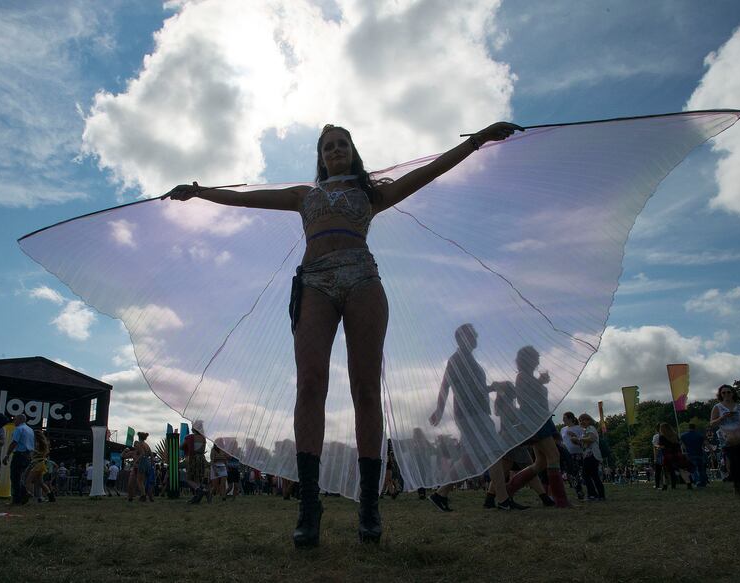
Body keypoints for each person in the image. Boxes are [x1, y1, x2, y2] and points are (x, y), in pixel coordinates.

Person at [168, 121, 521, 547]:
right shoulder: (305, 196)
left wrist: (477, 141)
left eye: (342, 144)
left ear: (353, 151)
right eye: (328, 146)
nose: (335, 150)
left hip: (362, 280)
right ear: (320, 156)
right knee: (310, 385)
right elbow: (246, 200)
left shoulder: (371, 193)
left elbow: (428, 172)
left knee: (366, 389)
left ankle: (370, 505)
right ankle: (309, 504)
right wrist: (201, 191)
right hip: (314, 282)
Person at [429, 324, 525, 512]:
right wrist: (439, 410)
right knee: (495, 452)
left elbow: (474, 388)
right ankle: (503, 500)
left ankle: (440, 494)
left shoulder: (466, 359)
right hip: (471, 414)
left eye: (475, 335)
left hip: (474, 413)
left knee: (469, 459)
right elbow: (445, 385)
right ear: (462, 338)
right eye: (473, 336)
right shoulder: (457, 359)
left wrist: (493, 387)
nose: (476, 339)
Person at [502, 347, 570, 508]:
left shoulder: (527, 377)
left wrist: (540, 382)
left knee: (541, 462)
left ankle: (509, 490)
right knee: (553, 456)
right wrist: (540, 383)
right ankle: (561, 500)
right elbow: (525, 399)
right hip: (536, 421)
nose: (538, 361)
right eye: (535, 357)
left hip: (540, 420)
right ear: (528, 360)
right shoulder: (523, 377)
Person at [710, 384, 740, 497]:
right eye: (724, 393)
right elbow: (712, 423)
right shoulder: (718, 407)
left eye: (729, 392)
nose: (726, 394)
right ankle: (737, 487)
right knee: (733, 465)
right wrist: (722, 417)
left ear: (733, 393)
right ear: (720, 395)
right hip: (727, 441)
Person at [3, 414, 35, 504]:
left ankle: (17, 499)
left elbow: (14, 442)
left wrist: (7, 455)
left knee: (15, 477)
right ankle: (23, 494)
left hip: (19, 455)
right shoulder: (30, 430)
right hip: (28, 455)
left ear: (20, 420)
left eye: (15, 419)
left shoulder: (19, 429)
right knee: (19, 477)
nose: (14, 421)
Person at [578, 414, 605, 501]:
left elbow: (591, 439)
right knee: (594, 476)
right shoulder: (586, 430)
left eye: (583, 420)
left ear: (589, 420)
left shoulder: (590, 428)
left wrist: (580, 439)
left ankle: (592, 494)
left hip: (591, 455)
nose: (582, 422)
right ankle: (600, 495)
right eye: (580, 420)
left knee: (586, 475)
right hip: (590, 455)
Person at [658, 423, 693, 490]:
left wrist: (658, 447)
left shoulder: (662, 437)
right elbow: (679, 444)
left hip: (668, 455)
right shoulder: (675, 435)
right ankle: (689, 484)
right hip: (677, 454)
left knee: (666, 472)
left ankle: (665, 486)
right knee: (682, 470)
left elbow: (662, 446)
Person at [24, 430, 55, 503]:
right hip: (40, 464)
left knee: (28, 480)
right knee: (40, 482)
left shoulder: (37, 444)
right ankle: (51, 497)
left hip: (37, 464)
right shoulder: (42, 444)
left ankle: (29, 494)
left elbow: (34, 452)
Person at [182, 422, 209, 504]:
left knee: (189, 478)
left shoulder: (190, 437)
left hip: (193, 458)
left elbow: (182, 446)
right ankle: (199, 495)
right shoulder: (203, 438)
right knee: (197, 479)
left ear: (194, 428)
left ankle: (200, 490)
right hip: (201, 458)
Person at [561, 412, 585, 500]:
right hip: (567, 453)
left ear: (570, 419)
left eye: (565, 418)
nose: (563, 420)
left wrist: (574, 436)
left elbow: (583, 440)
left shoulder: (579, 428)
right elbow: (562, 441)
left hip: (577, 453)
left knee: (577, 472)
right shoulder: (563, 429)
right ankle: (577, 489)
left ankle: (579, 490)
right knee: (570, 474)